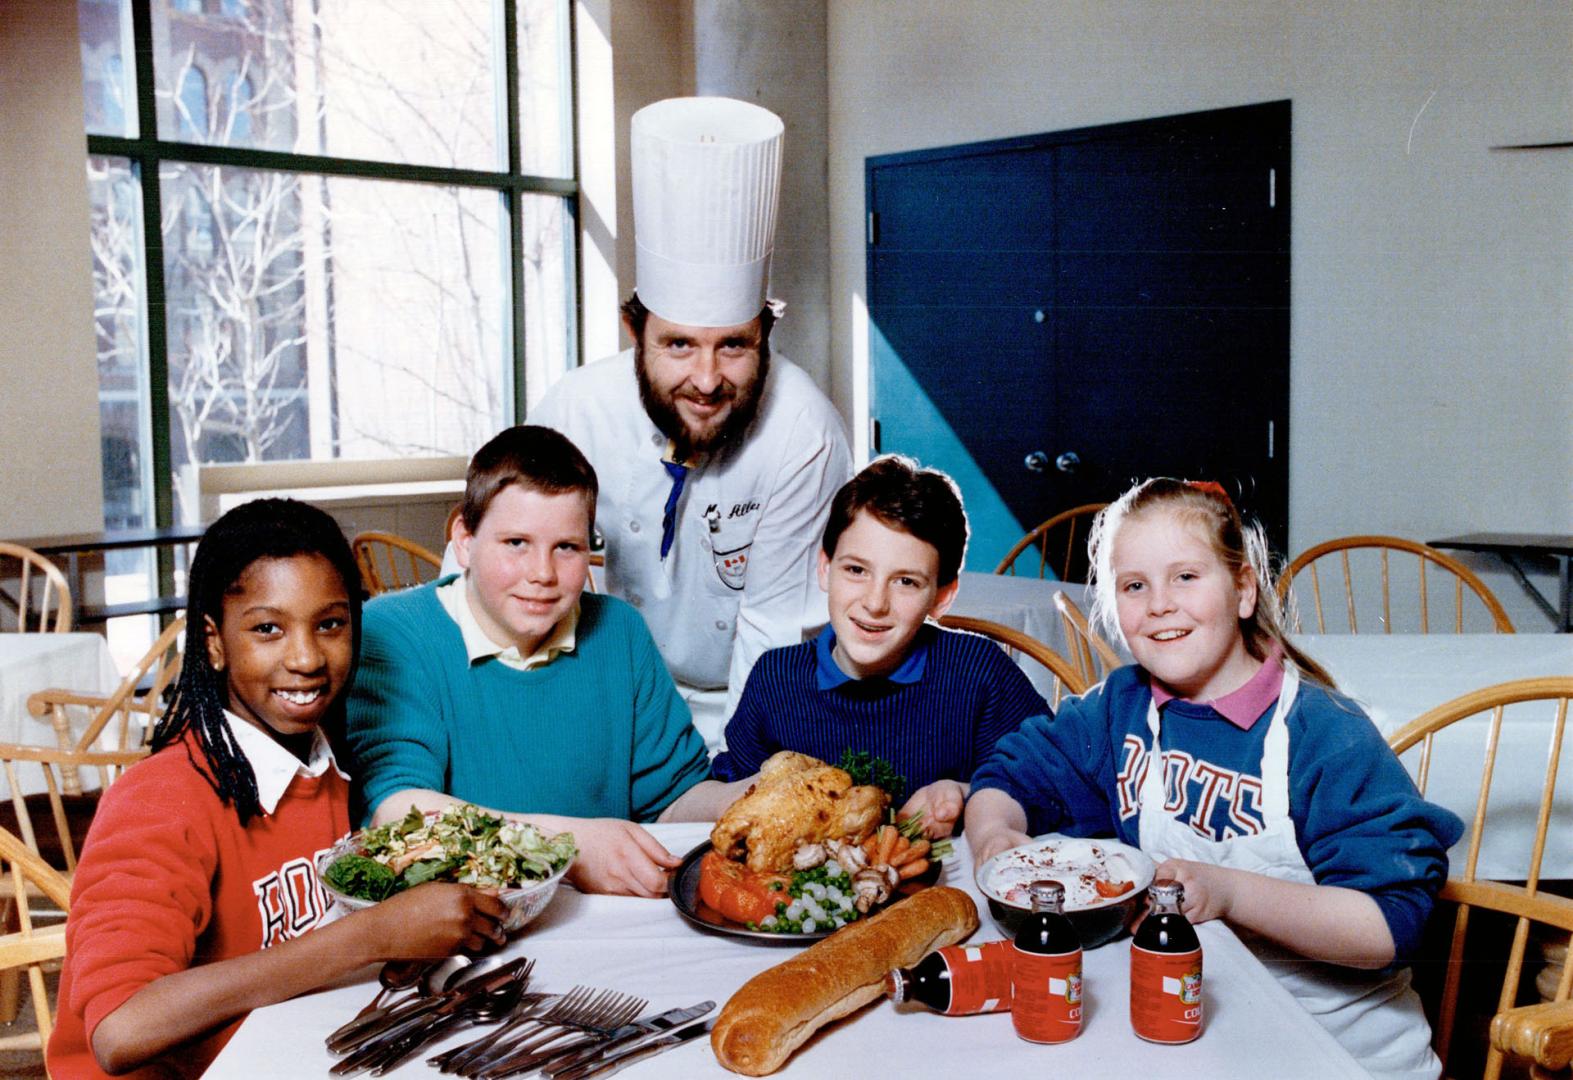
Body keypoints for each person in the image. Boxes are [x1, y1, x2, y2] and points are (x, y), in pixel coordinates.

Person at [966, 478, 1463, 1080]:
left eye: (1186, 577)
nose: (1159, 604)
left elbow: (1390, 925)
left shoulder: (1323, 735)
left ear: (1244, 590)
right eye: (1134, 586)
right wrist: (995, 838)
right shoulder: (1120, 707)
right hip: (1198, 1044)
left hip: (1339, 1053)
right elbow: (1008, 773)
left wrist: (1229, 893)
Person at [48, 499, 508, 1079]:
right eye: (268, 628)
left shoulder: (326, 765)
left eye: (330, 624)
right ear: (214, 642)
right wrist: (367, 936)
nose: (306, 657)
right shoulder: (160, 800)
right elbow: (120, 1030)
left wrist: (399, 942)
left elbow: (304, 954)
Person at [528, 96, 853, 749]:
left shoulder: (801, 431)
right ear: (634, 330)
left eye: (733, 345)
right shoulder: (576, 411)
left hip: (762, 703)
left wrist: (733, 778)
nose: (706, 381)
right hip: (608, 700)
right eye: (678, 345)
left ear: (766, 332)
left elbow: (772, 631)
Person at [346, 425, 710, 898]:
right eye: (516, 543)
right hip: (462, 921)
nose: (542, 574)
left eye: (567, 547)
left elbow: (673, 798)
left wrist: (762, 793)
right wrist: (568, 846)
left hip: (604, 918)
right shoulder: (394, 632)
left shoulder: (620, 631)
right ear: (464, 540)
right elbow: (396, 810)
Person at [661, 456, 1047, 836]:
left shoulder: (980, 674)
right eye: (856, 570)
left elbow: (1052, 782)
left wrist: (965, 794)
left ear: (942, 596)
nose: (875, 603)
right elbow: (735, 794)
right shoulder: (776, 680)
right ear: (825, 568)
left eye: (906, 582)